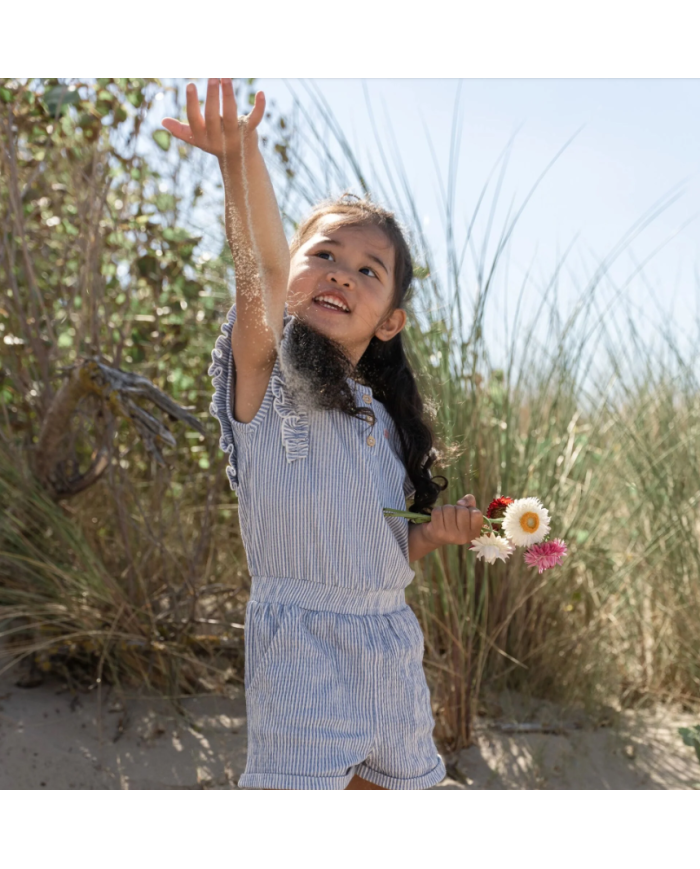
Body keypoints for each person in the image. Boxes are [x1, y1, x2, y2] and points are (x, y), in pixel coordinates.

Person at [163, 79, 485, 790]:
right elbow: (265, 269)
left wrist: (437, 531)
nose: (341, 274)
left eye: (369, 271)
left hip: (391, 650)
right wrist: (237, 158)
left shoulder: (386, 422)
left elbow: (390, 541)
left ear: (390, 320)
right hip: (302, 651)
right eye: (326, 256)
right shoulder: (267, 375)